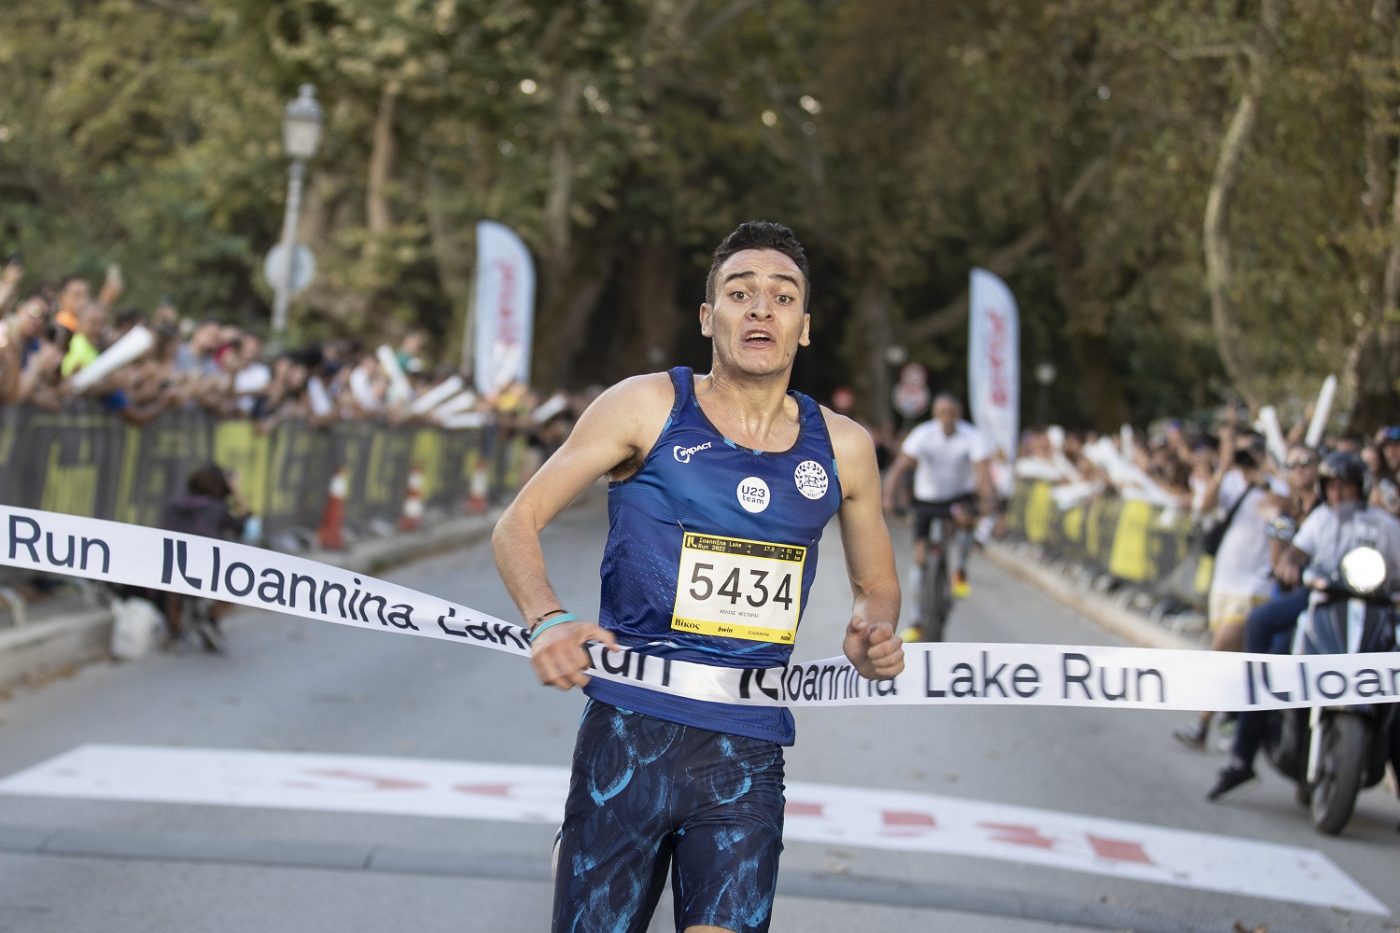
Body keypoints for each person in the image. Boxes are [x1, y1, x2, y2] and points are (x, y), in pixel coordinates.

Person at [492, 221, 904, 933]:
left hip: (745, 749)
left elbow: (877, 587)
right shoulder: (647, 406)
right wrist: (548, 618)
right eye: (740, 293)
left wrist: (874, 629)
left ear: (804, 327)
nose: (761, 308)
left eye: (782, 297)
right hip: (628, 733)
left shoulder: (843, 447)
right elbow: (516, 523)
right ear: (709, 318)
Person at [1208, 450, 1400, 801]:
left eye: (1347, 486)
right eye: (1333, 487)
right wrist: (1290, 564)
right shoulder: (1321, 519)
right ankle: (1242, 754)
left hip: (1376, 609)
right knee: (1263, 629)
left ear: (1361, 487)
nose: (1339, 494)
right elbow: (1296, 552)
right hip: (1322, 600)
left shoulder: (1385, 524)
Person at [1172, 431, 1286, 749]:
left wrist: (1265, 479)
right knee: (1235, 658)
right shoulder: (1231, 482)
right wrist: (1223, 469)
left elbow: (1283, 515)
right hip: (1224, 582)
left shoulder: (1276, 485)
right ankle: (1236, 722)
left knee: (1221, 651)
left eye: (1251, 452)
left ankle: (1202, 723)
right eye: (1241, 453)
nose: (1245, 458)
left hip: (1255, 584)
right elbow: (1204, 506)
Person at [880, 393, 994, 637]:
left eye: (951, 413)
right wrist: (888, 496)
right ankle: (916, 621)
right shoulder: (923, 434)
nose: (947, 418)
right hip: (927, 500)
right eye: (942, 413)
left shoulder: (971, 436)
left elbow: (983, 473)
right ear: (935, 414)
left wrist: (987, 501)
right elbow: (899, 467)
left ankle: (960, 569)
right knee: (920, 558)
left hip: (957, 498)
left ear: (959, 414)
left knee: (966, 521)